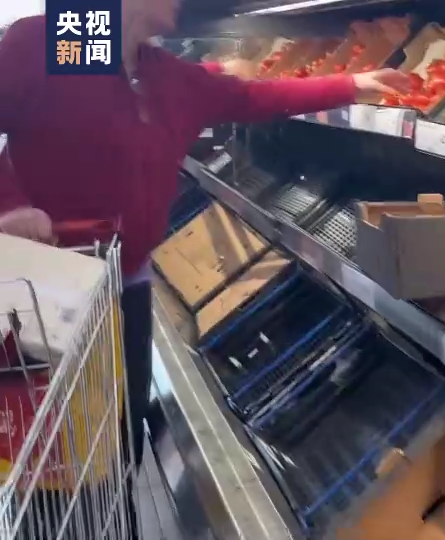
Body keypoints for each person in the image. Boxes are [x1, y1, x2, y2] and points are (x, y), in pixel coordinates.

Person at [0, 0, 409, 537]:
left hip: (124, 279)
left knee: (114, 439)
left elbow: (249, 98)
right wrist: (8, 204)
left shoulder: (156, 71)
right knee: (48, 455)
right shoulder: (63, 41)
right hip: (46, 289)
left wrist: (352, 85)